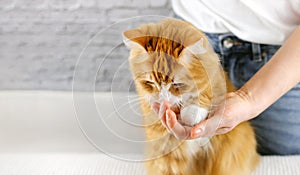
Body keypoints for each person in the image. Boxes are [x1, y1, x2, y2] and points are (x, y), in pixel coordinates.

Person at [155, 0, 300, 155]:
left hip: (283, 47)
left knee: (285, 148)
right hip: (194, 30)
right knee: (175, 147)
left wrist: (248, 98)